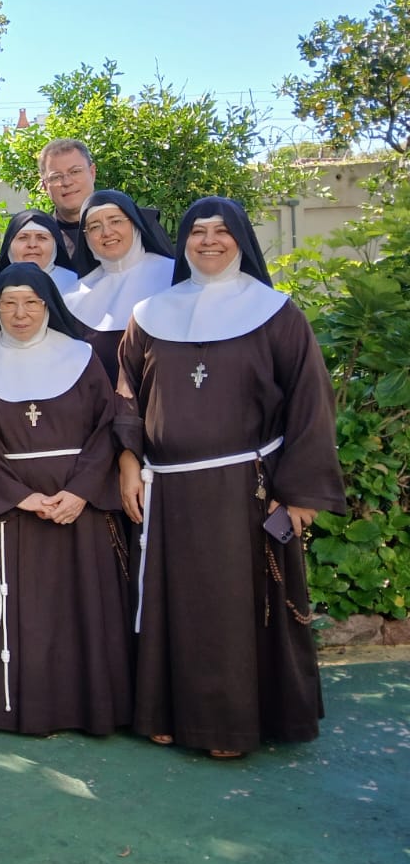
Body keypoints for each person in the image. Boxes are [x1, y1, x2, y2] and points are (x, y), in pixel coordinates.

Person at [117, 197, 345, 757]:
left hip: (247, 490)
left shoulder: (276, 313)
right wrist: (127, 462)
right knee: (171, 605)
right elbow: (125, 394)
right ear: (183, 243)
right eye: (197, 231)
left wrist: (298, 495)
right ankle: (165, 711)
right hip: (165, 490)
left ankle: (229, 725)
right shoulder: (150, 313)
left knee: (230, 609)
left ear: (242, 239)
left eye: (222, 231)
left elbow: (311, 406)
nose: (209, 241)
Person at [0, 264, 132, 735]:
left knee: (80, 611)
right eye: (8, 303)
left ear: (49, 305)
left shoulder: (82, 356)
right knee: (20, 616)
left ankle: (86, 708)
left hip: (79, 508)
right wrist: (21, 497)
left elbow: (105, 430)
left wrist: (80, 492)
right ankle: (10, 708)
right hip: (13, 512)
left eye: (31, 302)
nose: (20, 312)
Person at [63, 190, 175, 384]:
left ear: (134, 224)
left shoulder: (175, 278)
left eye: (115, 221)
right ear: (87, 238)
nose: (107, 232)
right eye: (95, 226)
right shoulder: (74, 297)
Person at [37, 138, 98, 259]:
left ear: (92, 173)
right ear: (45, 186)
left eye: (75, 172)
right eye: (56, 177)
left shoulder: (128, 226)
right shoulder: (38, 243)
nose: (67, 182)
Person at [0, 209, 80, 293]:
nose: (32, 245)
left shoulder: (76, 285)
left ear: (55, 245)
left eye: (42, 238)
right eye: (23, 238)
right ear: (9, 245)